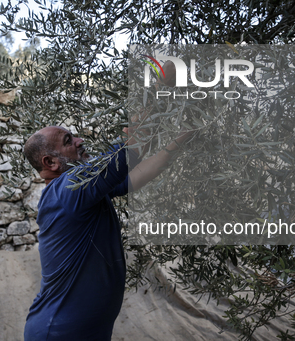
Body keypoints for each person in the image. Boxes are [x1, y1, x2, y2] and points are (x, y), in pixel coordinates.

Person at [22, 123, 189, 341]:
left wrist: (182, 139)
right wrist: (154, 91)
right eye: (68, 141)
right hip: (59, 332)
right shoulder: (67, 190)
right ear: (51, 162)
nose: (80, 141)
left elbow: (138, 174)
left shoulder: (84, 195)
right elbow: (130, 151)